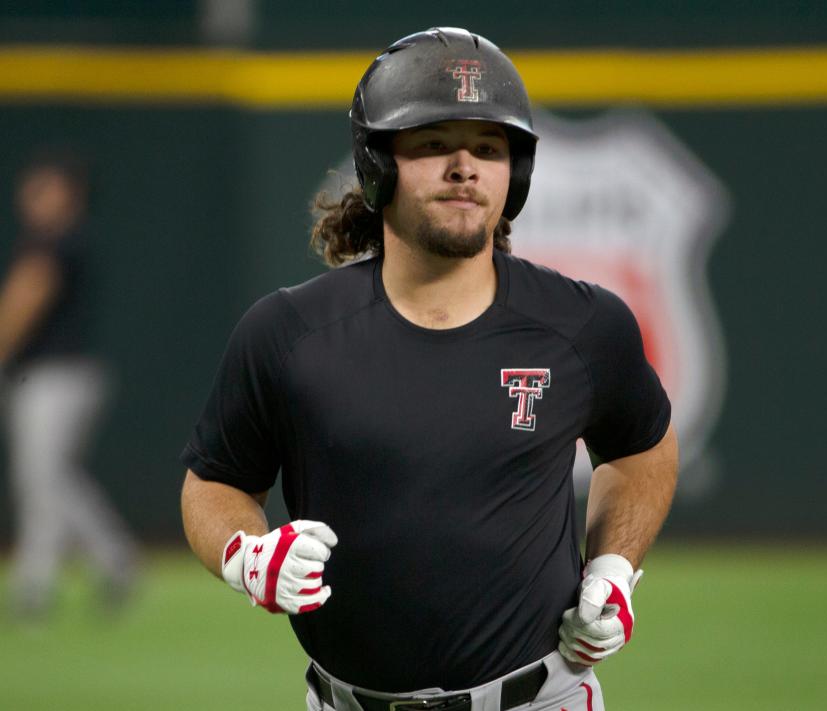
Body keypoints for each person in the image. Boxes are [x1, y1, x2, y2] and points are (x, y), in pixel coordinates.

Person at [181, 27, 678, 711]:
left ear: (517, 172)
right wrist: (246, 556)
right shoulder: (288, 333)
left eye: (489, 146)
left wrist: (615, 568)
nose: (465, 166)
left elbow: (645, 450)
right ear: (378, 164)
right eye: (433, 144)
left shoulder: (584, 327)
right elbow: (213, 482)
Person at [1, 149, 137, 618]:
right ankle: (114, 560)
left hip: (53, 377)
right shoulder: (59, 240)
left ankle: (36, 585)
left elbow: (22, 304)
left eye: (45, 187)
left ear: (68, 194)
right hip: (62, 376)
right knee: (52, 477)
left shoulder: (55, 242)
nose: (34, 195)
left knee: (42, 478)